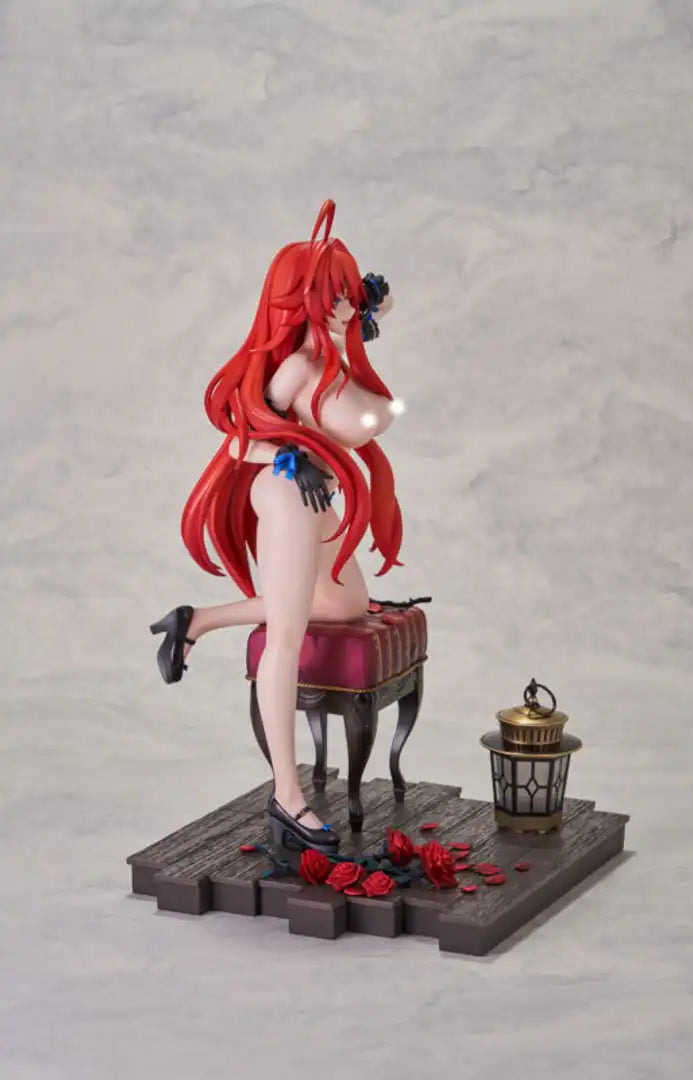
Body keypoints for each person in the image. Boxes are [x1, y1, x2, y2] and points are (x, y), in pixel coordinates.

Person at [150, 199, 403, 853]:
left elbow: (371, 328)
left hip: (321, 502)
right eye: (332, 296)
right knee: (286, 637)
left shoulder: (340, 347)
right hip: (291, 497)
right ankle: (287, 797)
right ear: (304, 302)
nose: (345, 306)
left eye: (349, 293)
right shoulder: (297, 369)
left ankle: (197, 620)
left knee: (344, 604)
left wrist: (368, 306)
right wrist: (291, 456)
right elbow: (239, 440)